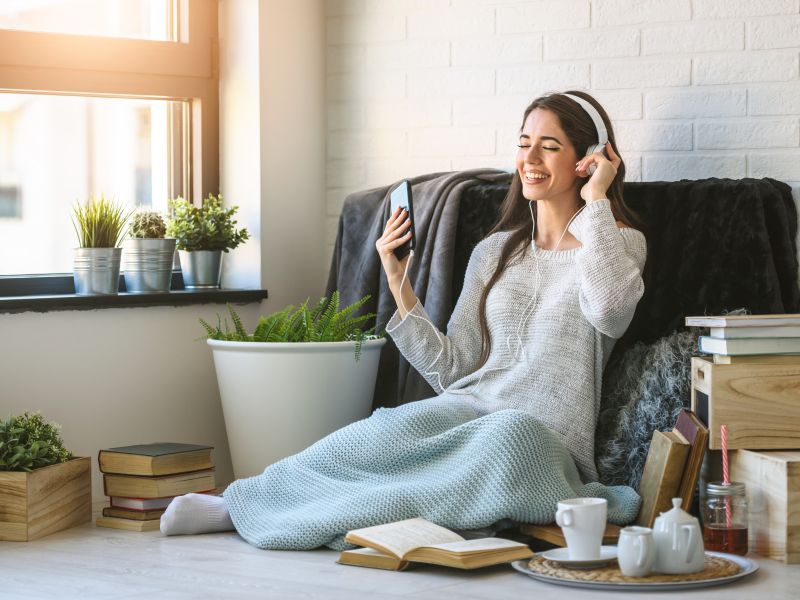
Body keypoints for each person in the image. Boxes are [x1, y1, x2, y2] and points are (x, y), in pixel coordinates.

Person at [159, 90, 646, 539]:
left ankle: (315, 516)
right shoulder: (494, 252)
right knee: (380, 430)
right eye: (524, 144)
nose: (530, 159)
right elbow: (454, 369)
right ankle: (243, 502)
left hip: (541, 440)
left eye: (549, 146)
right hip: (467, 411)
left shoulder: (618, 242)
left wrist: (597, 201)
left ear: (588, 159)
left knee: (508, 434)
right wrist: (398, 283)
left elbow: (610, 312)